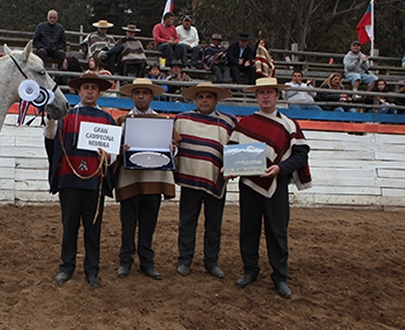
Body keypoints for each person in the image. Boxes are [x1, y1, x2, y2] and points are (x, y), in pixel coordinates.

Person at [229, 77, 312, 300]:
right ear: (256, 96)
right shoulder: (245, 123)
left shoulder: (289, 125)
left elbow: (301, 154)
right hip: (249, 184)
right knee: (248, 229)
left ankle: (280, 276)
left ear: (277, 96)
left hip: (277, 184)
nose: (265, 96)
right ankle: (250, 270)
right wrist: (233, 168)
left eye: (270, 92)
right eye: (261, 92)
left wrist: (280, 168)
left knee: (277, 231)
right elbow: (233, 151)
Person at [45, 73, 116, 288]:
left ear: (99, 92)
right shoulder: (67, 116)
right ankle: (67, 266)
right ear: (79, 91)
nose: (90, 91)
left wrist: (108, 156)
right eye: (86, 87)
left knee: (93, 229)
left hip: (95, 183)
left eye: (94, 88)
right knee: (70, 226)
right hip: (70, 180)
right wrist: (50, 118)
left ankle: (92, 269)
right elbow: (51, 139)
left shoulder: (107, 119)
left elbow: (113, 157)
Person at [174, 82, 237, 279]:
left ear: (216, 100)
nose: (204, 100)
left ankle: (211, 261)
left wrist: (234, 166)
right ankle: (185, 259)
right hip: (190, 178)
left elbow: (236, 148)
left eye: (208, 97)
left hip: (215, 178)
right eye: (200, 97)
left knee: (214, 223)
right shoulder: (181, 120)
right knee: (187, 221)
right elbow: (171, 146)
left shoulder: (229, 122)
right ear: (195, 99)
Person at [114, 78, 174, 281]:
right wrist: (119, 150)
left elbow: (174, 149)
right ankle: (126, 260)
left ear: (152, 96)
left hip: (154, 179)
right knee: (128, 223)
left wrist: (173, 149)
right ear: (132, 96)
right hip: (130, 178)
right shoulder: (122, 121)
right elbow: (112, 151)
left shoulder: (164, 122)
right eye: (137, 92)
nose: (141, 96)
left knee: (149, 223)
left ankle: (147, 261)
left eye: (145, 92)